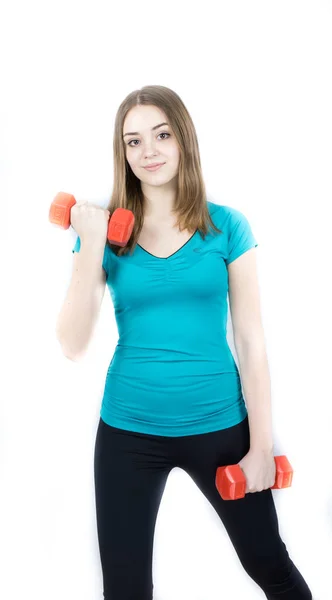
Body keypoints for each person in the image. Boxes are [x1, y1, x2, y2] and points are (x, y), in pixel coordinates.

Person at [58, 85, 313, 599]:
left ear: (184, 140)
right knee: (125, 592)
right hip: (127, 433)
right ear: (122, 153)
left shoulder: (226, 227)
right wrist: (88, 248)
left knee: (272, 567)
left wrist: (261, 447)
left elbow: (251, 340)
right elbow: (73, 344)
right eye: (133, 142)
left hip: (221, 428)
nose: (148, 151)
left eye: (162, 134)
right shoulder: (106, 233)